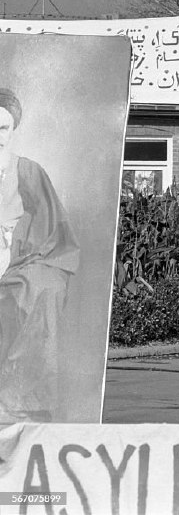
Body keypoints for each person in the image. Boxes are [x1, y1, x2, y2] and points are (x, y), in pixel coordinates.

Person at [0, 87, 80, 423]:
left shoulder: (27, 172)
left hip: (15, 258)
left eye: (3, 129)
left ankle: (20, 402)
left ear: (13, 130)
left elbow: (52, 234)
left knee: (38, 290)